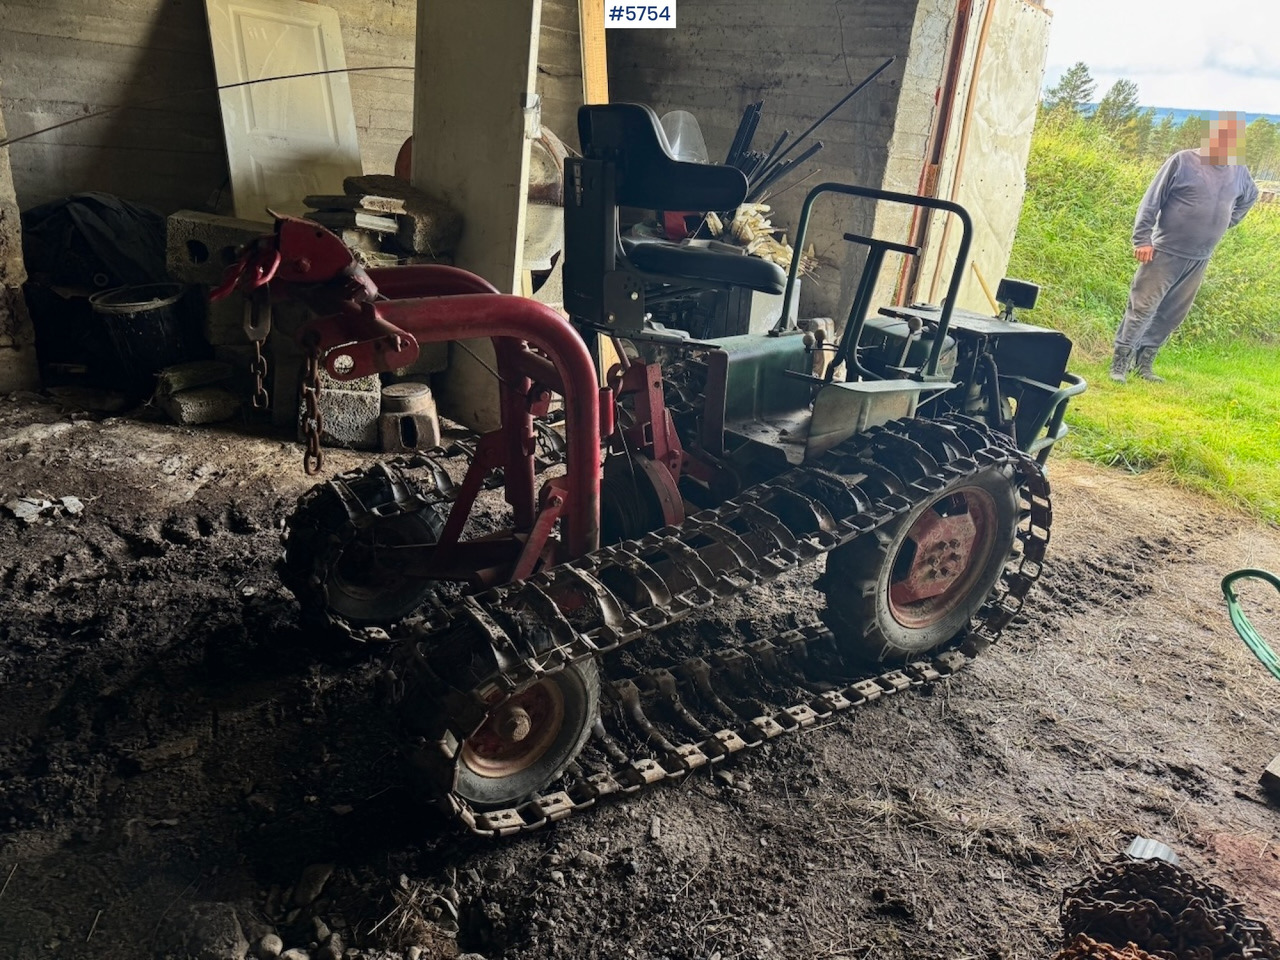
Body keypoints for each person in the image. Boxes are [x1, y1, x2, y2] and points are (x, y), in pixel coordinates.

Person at [1110, 112, 1258, 383]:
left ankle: (1144, 364)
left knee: (1172, 314)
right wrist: (1142, 239)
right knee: (1143, 307)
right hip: (1165, 251)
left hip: (1200, 257)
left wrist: (1229, 220)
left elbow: (1250, 196)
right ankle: (1120, 363)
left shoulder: (1238, 170)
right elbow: (1151, 200)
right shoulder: (1184, 161)